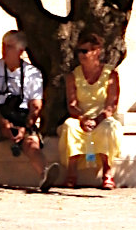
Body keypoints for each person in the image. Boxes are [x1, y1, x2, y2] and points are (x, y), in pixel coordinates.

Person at [0, 30, 60, 191]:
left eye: (10, 46)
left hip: (22, 116)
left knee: (31, 143)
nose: (5, 49)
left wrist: (25, 126)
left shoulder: (32, 73)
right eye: (4, 45)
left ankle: (44, 175)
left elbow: (36, 105)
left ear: (21, 51)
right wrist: (2, 122)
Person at [58, 31, 122, 190]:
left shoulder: (111, 74)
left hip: (103, 117)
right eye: (79, 51)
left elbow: (111, 104)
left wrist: (98, 119)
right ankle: (71, 173)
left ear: (97, 51)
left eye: (85, 51)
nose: (82, 55)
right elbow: (71, 104)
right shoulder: (73, 76)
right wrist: (83, 118)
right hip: (81, 116)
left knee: (109, 128)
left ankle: (108, 174)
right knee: (69, 127)